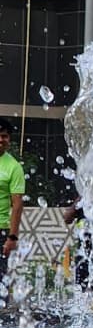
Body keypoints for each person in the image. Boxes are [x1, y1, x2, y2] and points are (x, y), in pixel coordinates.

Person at [0, 120, 25, 283]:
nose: (1, 140)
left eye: (4, 136)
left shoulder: (14, 167)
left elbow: (17, 205)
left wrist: (12, 237)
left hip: (1, 230)